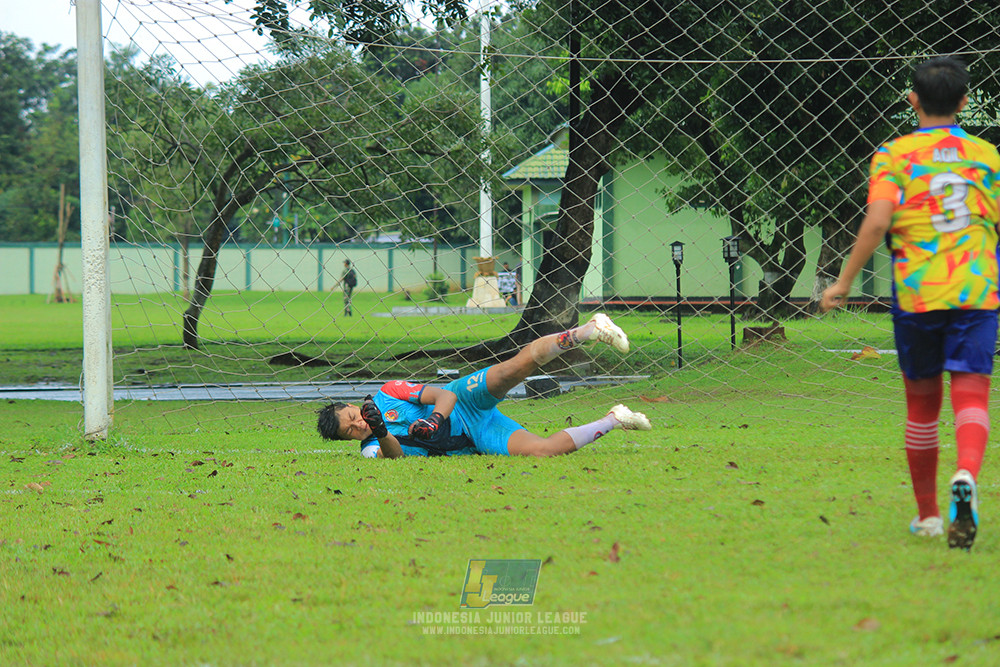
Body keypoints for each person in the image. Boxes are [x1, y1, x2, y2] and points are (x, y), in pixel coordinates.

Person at [821, 56, 1000, 551]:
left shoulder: (894, 155)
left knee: (921, 405)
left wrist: (843, 282)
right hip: (975, 291)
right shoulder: (986, 155)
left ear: (912, 99)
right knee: (972, 396)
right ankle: (966, 475)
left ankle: (928, 517)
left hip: (918, 294)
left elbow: (878, 222)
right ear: (965, 102)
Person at [317, 313, 651, 458]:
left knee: (515, 367)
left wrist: (434, 420)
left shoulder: (388, 391)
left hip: (463, 400)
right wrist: (379, 431)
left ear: (352, 405)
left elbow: (443, 394)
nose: (358, 425)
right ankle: (616, 418)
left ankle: (588, 330)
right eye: (350, 431)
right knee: (544, 451)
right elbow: (395, 458)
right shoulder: (370, 449)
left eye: (353, 417)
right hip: (478, 434)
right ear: (349, 440)